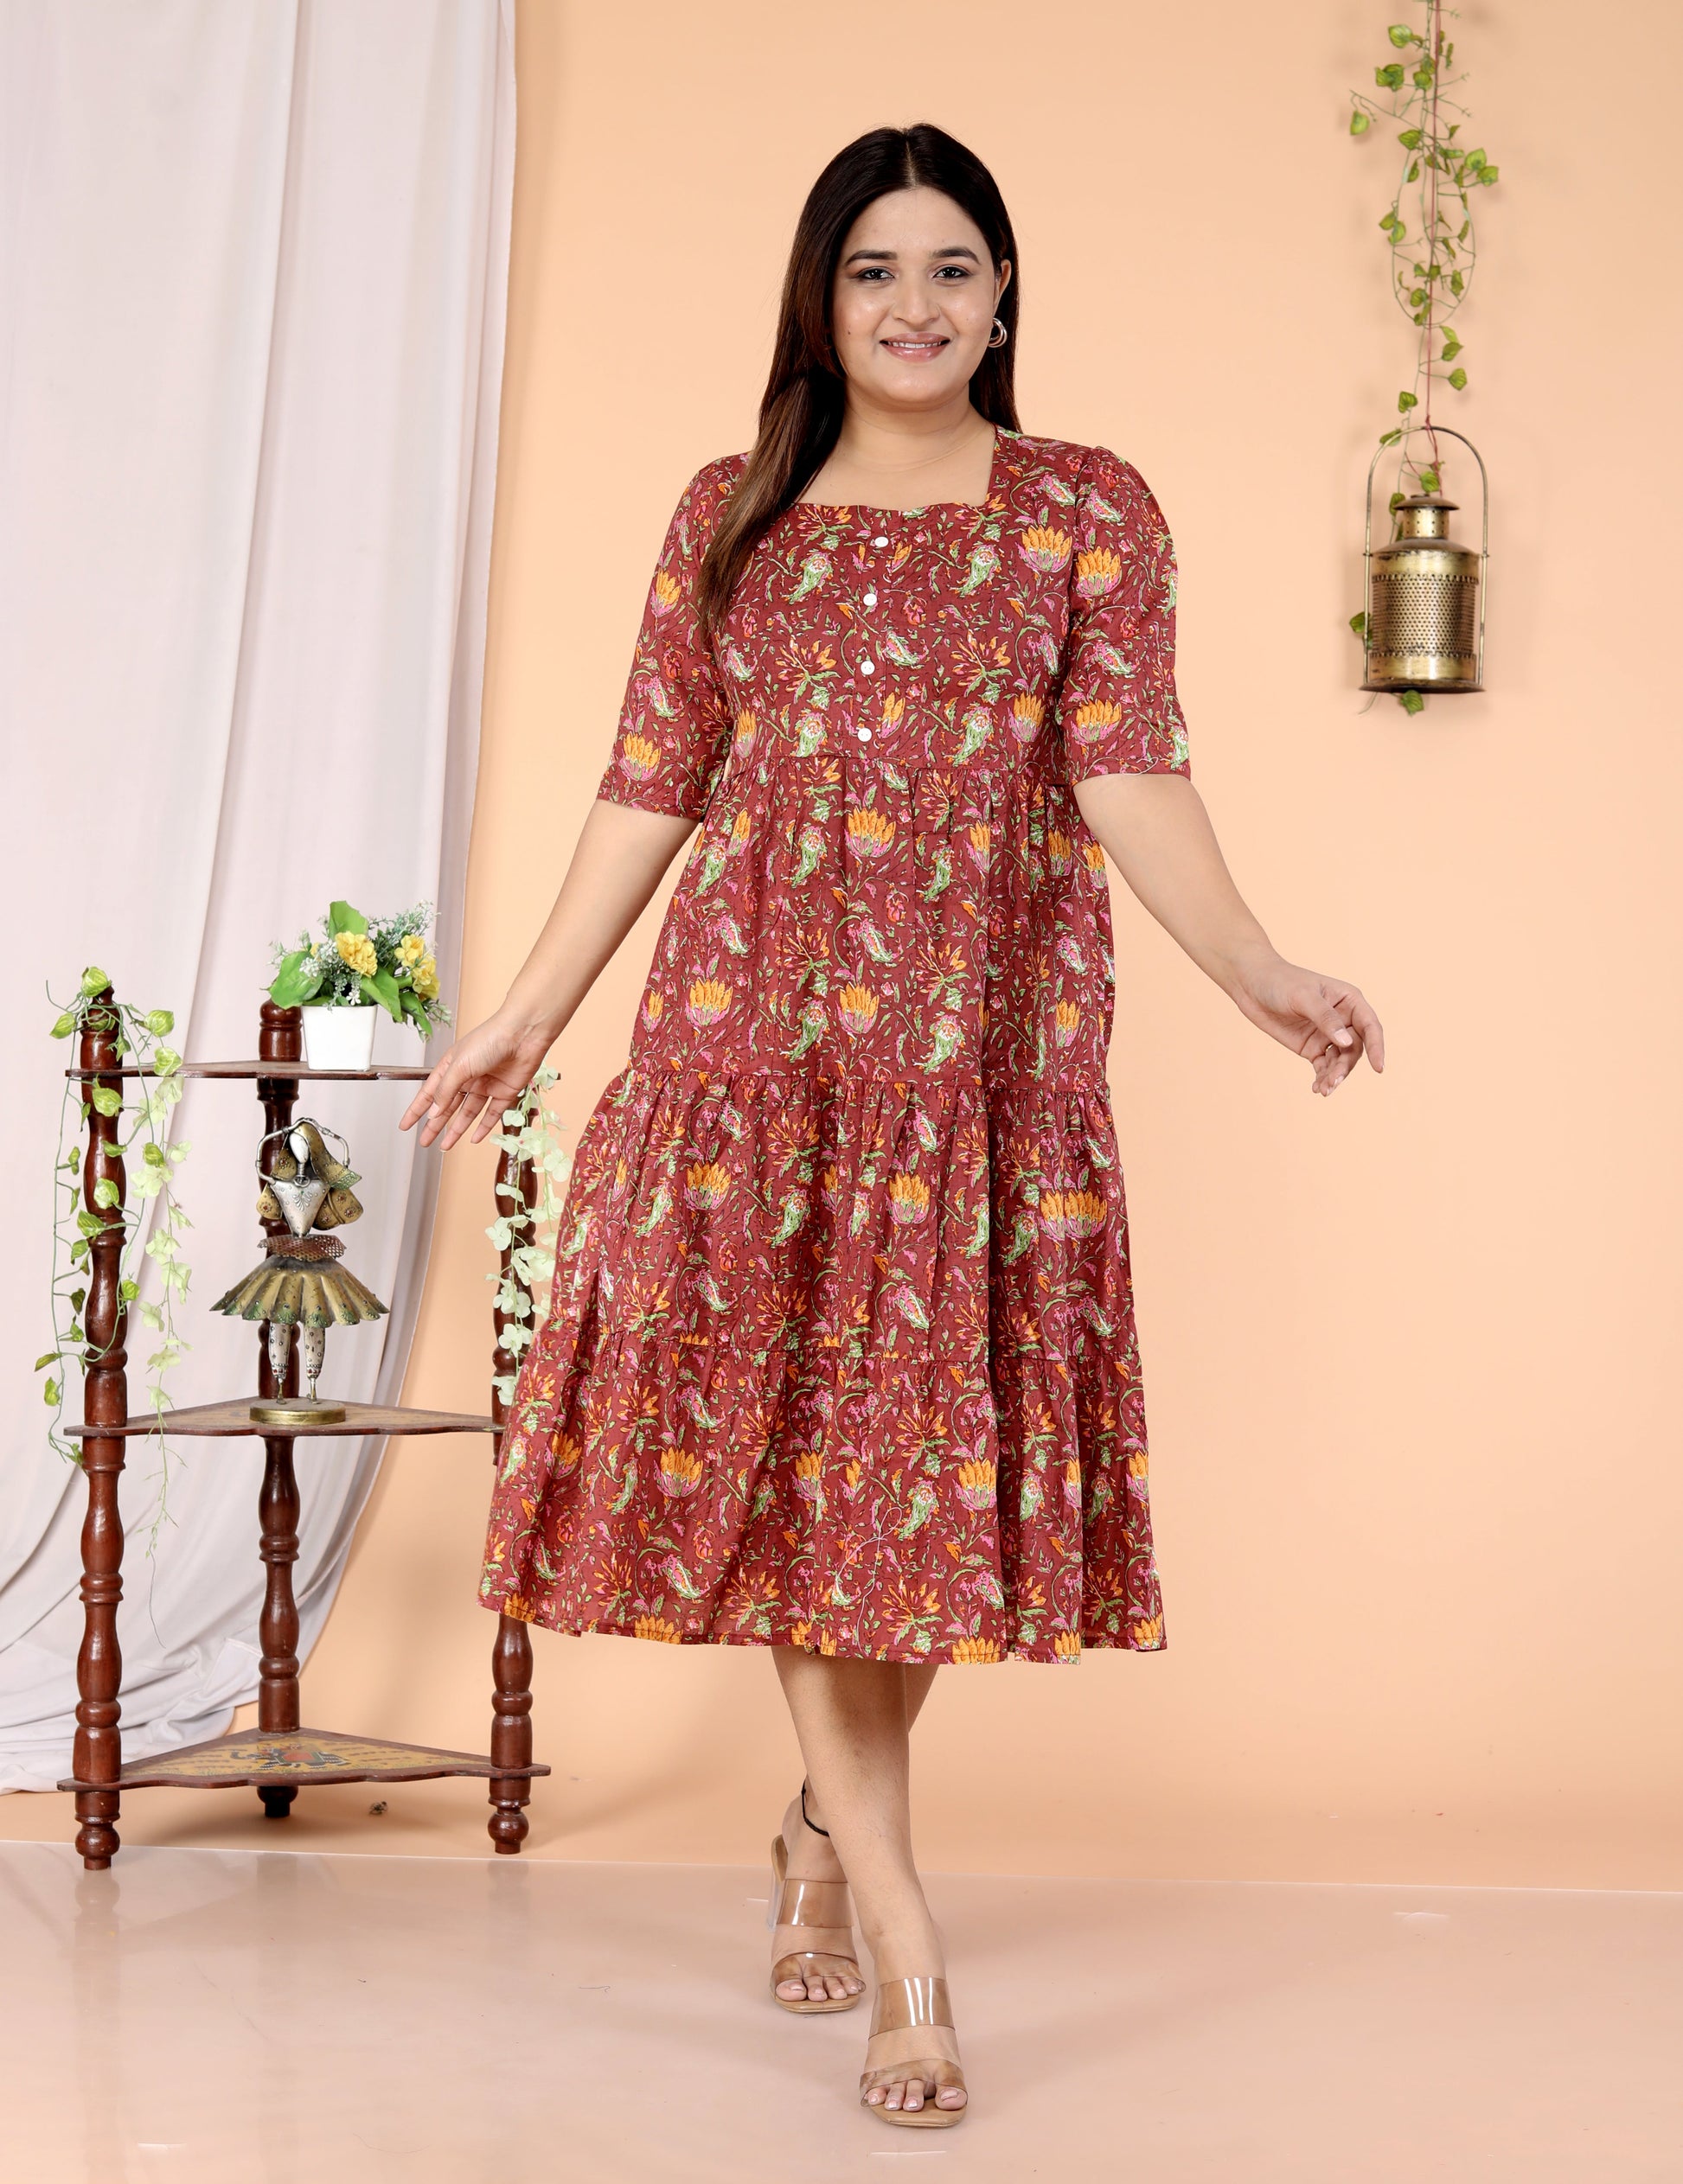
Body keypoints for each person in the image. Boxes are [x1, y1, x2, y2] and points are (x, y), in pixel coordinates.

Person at [400, 121, 1384, 2130]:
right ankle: (905, 1948)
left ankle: (816, 1826)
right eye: (872, 269)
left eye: (950, 267)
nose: (913, 305)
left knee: (914, 1483)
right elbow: (651, 781)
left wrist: (1256, 968)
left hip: (980, 1064)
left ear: (1003, 298)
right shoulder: (733, 511)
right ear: (819, 299)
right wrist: (524, 1013)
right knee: (805, 1467)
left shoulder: (1085, 507)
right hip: (755, 1055)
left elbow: (1128, 769)